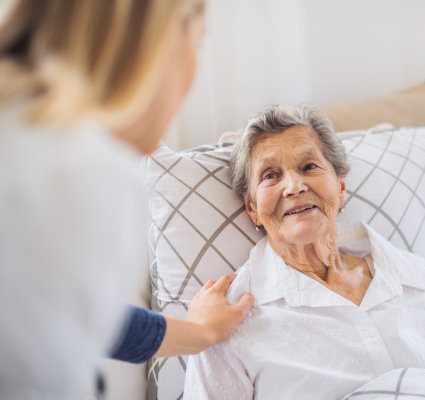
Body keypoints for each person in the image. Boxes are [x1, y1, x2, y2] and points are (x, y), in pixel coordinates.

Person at [183, 103, 425, 400]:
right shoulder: (227, 318)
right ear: (252, 208)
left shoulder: (415, 277)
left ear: (340, 188)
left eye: (309, 166)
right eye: (270, 175)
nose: (294, 186)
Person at [0, 1, 251, 399]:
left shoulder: (23, 131)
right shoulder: (79, 167)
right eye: (197, 43)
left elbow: (77, 317)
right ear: (154, 43)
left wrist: (203, 332)